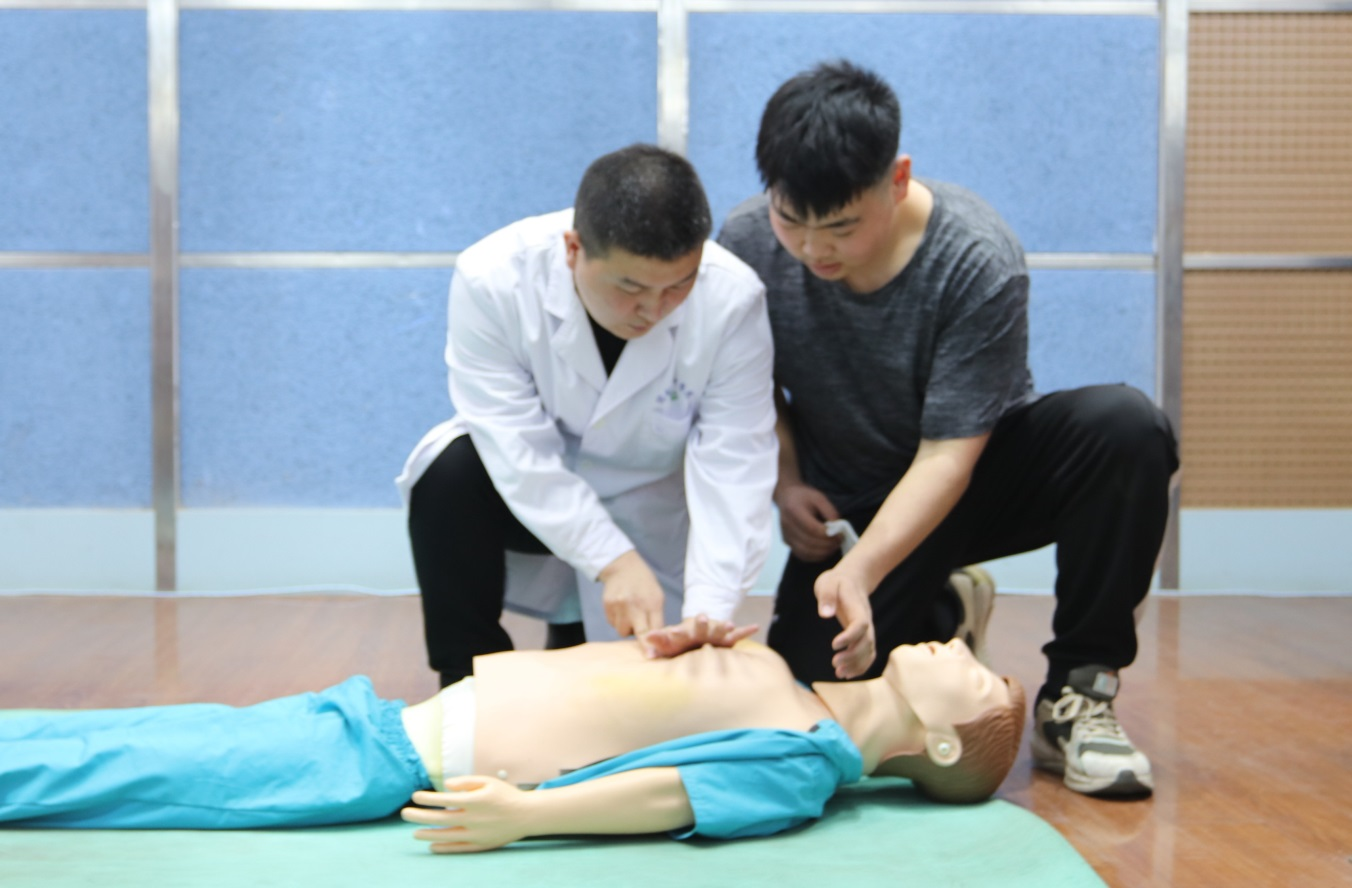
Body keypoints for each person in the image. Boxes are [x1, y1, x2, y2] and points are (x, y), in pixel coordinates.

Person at [716, 61, 1179, 797]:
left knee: (1124, 429)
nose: (812, 249)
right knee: (807, 705)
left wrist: (860, 575)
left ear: (897, 180)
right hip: (854, 504)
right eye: (791, 220)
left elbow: (946, 457)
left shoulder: (975, 257)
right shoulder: (744, 243)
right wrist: (788, 482)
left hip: (973, 476)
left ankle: (1078, 693)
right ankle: (943, 606)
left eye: (841, 227)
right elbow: (746, 383)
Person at [0, 631, 1025, 852]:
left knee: (121, 769)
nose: (958, 647)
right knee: (135, 737)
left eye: (975, 676)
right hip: (388, 721)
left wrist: (527, 816)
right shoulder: (797, 691)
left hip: (387, 761)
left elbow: (675, 794)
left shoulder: (804, 761)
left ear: (938, 744)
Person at [396, 145, 778, 687]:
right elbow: (516, 450)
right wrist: (612, 561)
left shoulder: (733, 299)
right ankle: (464, 677)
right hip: (530, 494)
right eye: (630, 287)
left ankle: (575, 632)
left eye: (679, 285)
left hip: (653, 504)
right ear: (573, 249)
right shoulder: (493, 280)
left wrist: (710, 610)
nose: (654, 310)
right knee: (449, 470)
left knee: (620, 684)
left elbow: (734, 463)